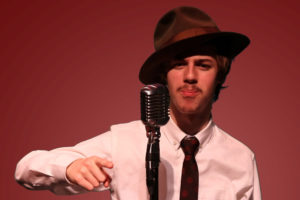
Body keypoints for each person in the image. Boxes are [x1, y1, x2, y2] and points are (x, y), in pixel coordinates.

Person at [15, 6, 261, 200]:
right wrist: (70, 167)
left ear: (219, 75)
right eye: (179, 64)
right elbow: (26, 168)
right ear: (164, 75)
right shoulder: (124, 142)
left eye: (203, 65)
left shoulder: (241, 158)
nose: (189, 75)